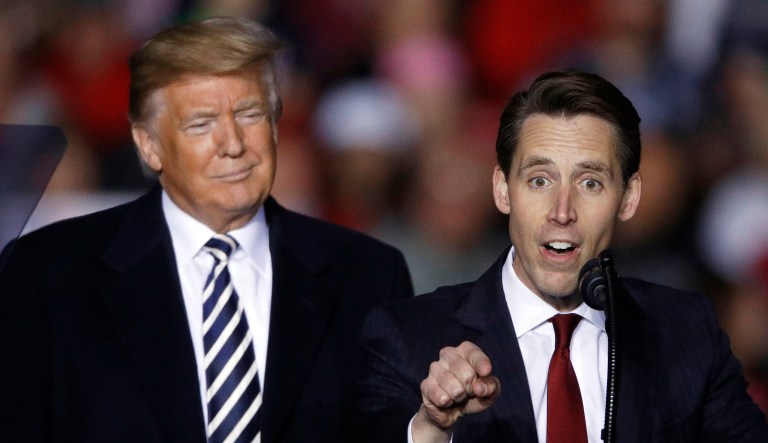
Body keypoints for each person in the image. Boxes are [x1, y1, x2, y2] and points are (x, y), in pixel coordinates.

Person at [0, 17, 413, 443]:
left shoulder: (369, 275)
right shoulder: (49, 274)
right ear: (149, 144)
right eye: (201, 124)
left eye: (250, 115)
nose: (233, 144)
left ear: (274, 127)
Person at [352, 69, 768, 442]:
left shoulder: (686, 331)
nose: (562, 211)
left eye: (589, 183)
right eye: (539, 180)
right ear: (502, 189)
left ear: (628, 197)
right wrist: (431, 430)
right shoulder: (406, 336)